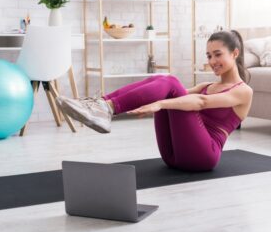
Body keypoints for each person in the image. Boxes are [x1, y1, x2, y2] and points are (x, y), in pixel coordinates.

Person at [56, 30, 253, 171]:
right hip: (173, 156)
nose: (212, 61)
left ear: (235, 53)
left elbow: (201, 102)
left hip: (204, 157)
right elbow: (168, 89)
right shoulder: (207, 85)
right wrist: (157, 97)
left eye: (218, 54)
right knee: (164, 80)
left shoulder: (243, 91)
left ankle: (105, 108)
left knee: (171, 84)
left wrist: (160, 104)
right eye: (209, 55)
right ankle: (103, 104)